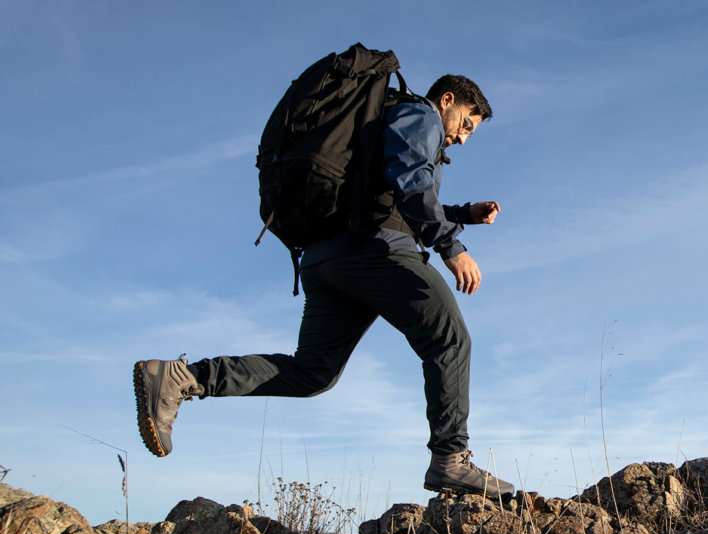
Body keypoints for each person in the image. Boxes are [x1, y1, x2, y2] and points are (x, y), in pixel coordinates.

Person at [133, 74, 516, 503]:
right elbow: (410, 179)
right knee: (448, 338)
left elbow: (391, 193)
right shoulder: (421, 115)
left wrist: (463, 212)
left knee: (312, 372)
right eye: (466, 125)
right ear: (447, 100)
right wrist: (450, 244)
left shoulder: (387, 119)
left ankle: (184, 378)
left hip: (326, 258)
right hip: (375, 251)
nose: (463, 139)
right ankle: (451, 458)